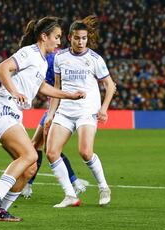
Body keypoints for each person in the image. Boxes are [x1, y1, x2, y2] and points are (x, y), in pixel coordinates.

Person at [0, 16, 86, 222]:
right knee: (30, 154)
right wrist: (14, 92)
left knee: (29, 168)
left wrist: (69, 95)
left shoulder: (41, 60)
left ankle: (0, 211)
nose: (59, 41)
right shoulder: (29, 52)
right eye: (56, 37)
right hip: (2, 110)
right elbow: (2, 68)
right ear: (43, 36)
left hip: (12, 115)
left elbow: (42, 88)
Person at [45, 15, 116, 208]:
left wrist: (104, 108)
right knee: (51, 152)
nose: (81, 41)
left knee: (85, 152)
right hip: (65, 112)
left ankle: (103, 187)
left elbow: (110, 85)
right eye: (77, 38)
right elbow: (57, 88)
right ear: (70, 37)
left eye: (84, 38)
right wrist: (50, 114)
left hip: (87, 111)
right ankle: (70, 195)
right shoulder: (60, 57)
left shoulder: (94, 59)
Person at [21, 51, 88, 199]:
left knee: (48, 149)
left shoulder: (52, 59)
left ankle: (74, 183)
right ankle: (29, 185)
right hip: (55, 105)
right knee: (38, 146)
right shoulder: (52, 58)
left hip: (60, 107)